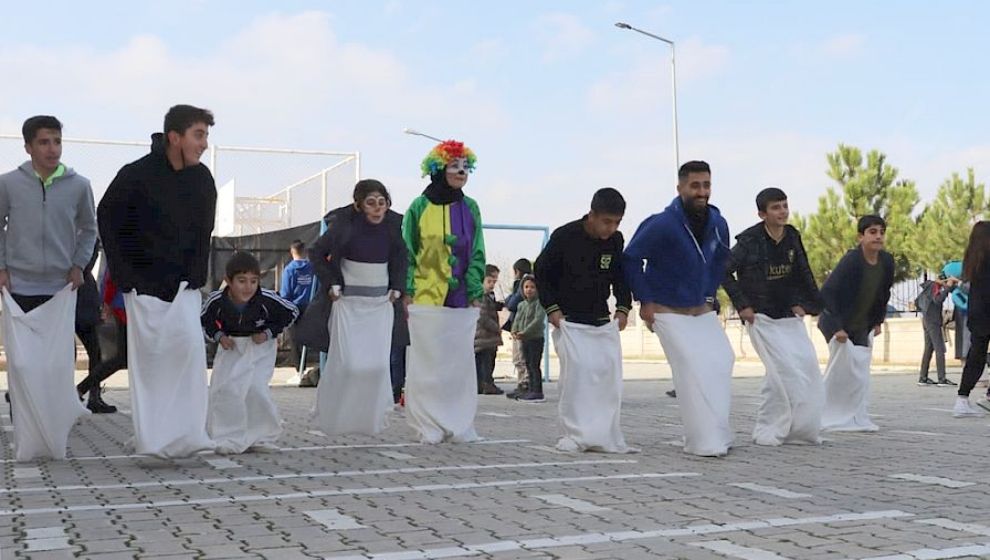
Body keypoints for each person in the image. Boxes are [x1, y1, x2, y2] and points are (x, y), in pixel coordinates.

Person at [98, 104, 217, 458]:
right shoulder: (136, 175)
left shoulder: (202, 180)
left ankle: (189, 434)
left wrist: (197, 274)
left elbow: (204, 232)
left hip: (184, 287)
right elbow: (108, 218)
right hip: (143, 286)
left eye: (207, 136)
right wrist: (124, 276)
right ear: (174, 137)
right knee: (152, 364)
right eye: (199, 135)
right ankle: (154, 439)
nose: (205, 144)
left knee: (189, 354)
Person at [0, 115, 97, 461]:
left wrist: (77, 265)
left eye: (56, 141)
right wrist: (2, 267)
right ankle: (25, 431)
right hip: (19, 287)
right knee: (24, 365)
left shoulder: (79, 185)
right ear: (28, 147)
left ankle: (54, 431)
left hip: (60, 289)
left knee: (56, 366)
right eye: (44, 142)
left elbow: (89, 228)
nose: (52, 148)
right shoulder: (8, 184)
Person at [623, 160, 734, 457]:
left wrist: (711, 294)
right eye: (695, 185)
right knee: (692, 370)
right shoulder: (661, 223)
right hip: (668, 311)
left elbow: (721, 260)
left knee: (722, 360)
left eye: (706, 185)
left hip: (701, 310)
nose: (702, 191)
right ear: (680, 187)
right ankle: (702, 440)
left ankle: (718, 431)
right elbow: (631, 258)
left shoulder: (718, 223)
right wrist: (644, 300)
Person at [535, 187, 635, 452]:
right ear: (592, 215)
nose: (610, 228)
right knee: (577, 377)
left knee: (604, 376)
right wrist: (552, 310)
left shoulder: (615, 241)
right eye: (606, 222)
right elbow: (541, 273)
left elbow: (620, 276)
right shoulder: (564, 236)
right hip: (568, 321)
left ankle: (602, 432)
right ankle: (575, 433)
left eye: (616, 223)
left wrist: (623, 308)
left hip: (600, 319)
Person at [722, 187, 824, 446]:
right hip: (761, 318)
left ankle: (798, 429)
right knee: (785, 374)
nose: (782, 212)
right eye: (776, 208)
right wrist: (743, 306)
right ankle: (771, 429)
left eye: (784, 206)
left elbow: (804, 272)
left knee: (807, 369)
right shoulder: (748, 241)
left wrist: (812, 305)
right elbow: (723, 272)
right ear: (762, 213)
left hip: (789, 315)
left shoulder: (792, 236)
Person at [306, 179, 408, 434]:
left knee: (375, 367)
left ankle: (368, 421)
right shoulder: (343, 225)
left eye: (381, 203)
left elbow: (401, 257)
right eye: (371, 203)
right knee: (349, 364)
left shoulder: (395, 226)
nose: (377, 209)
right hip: (348, 305)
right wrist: (332, 283)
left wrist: (398, 286)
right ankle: (336, 416)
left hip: (380, 306)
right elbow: (317, 252)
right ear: (359, 205)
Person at [402, 139, 486, 443]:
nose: (461, 172)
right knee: (428, 362)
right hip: (426, 296)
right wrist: (408, 289)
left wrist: (475, 288)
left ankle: (458, 422)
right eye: (454, 166)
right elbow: (407, 251)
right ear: (438, 169)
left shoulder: (471, 207)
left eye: (465, 167)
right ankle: (429, 424)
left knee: (457, 362)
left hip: (461, 296)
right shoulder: (419, 207)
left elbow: (477, 251)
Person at [201, 252, 298, 454]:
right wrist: (219, 336)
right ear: (228, 281)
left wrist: (268, 333)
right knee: (226, 390)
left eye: (253, 281)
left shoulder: (267, 299)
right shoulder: (217, 301)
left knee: (256, 390)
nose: (248, 287)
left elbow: (291, 312)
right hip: (231, 348)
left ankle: (261, 436)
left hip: (259, 349)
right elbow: (204, 319)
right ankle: (225, 437)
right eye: (241, 281)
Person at [818, 215, 894, 431]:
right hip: (837, 323)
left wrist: (878, 321)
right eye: (872, 232)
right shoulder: (852, 260)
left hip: (863, 324)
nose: (878, 236)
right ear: (861, 236)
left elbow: (883, 293)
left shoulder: (887, 261)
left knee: (859, 373)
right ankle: (828, 413)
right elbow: (828, 293)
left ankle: (855, 415)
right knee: (841, 371)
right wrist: (836, 327)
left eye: (881, 232)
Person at [76, 265, 129, 414]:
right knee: (121, 357)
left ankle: (83, 391)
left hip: (123, 301)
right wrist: (107, 300)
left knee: (120, 356)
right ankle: (81, 390)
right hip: (127, 302)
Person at [74, 240, 118, 413]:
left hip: (81, 297)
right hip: (78, 295)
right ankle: (90, 395)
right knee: (90, 350)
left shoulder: (86, 233)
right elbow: (88, 262)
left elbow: (89, 262)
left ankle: (93, 395)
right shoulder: (85, 233)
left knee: (94, 350)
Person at [954, 222, 990, 417]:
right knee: (977, 356)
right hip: (987, 310)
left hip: (977, 313)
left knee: (976, 356)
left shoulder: (972, 258)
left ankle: (962, 398)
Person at [915, 274, 959, 386]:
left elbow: (918, 303)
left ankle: (923, 378)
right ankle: (942, 379)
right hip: (933, 321)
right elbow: (938, 300)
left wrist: (952, 285)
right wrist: (948, 286)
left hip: (926, 319)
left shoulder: (928, 286)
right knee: (939, 349)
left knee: (928, 349)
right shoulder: (934, 286)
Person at [511, 275, 547, 402]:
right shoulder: (521, 305)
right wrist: (514, 331)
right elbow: (517, 319)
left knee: (534, 364)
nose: (529, 290)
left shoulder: (540, 303)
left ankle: (537, 391)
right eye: (526, 287)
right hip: (524, 339)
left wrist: (525, 332)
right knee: (527, 364)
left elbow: (538, 320)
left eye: (532, 287)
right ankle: (530, 390)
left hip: (535, 338)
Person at [280, 239, 314, 372]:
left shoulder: (289, 270)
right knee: (307, 337)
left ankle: (299, 368)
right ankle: (305, 364)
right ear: (304, 251)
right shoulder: (312, 268)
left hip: (294, 307)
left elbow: (286, 292)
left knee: (294, 340)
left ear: (292, 252)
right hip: (310, 305)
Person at [503, 258, 533, 399]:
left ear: (517, 271)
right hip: (518, 326)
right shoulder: (525, 285)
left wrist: (516, 285)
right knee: (518, 358)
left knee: (521, 357)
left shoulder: (524, 284)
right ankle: (522, 383)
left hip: (522, 327)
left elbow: (511, 303)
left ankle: (525, 384)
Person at [475, 264, 504, 395]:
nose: (492, 285)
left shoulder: (488, 297)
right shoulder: (481, 296)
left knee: (485, 362)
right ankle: (486, 384)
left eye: (494, 281)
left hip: (486, 338)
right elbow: (483, 317)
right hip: (484, 337)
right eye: (489, 281)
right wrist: (497, 327)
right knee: (485, 363)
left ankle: (481, 385)